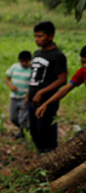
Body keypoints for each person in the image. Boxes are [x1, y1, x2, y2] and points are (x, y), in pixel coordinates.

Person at [26, 21, 68, 154]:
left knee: (45, 128)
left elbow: (62, 80)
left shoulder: (58, 55)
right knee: (34, 130)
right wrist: (29, 94)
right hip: (33, 98)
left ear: (51, 36)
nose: (36, 40)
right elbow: (34, 76)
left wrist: (42, 92)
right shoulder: (37, 53)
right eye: (35, 36)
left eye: (40, 36)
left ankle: (50, 154)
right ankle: (41, 153)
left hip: (48, 100)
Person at [36, 46, 86, 120]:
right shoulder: (82, 72)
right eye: (83, 62)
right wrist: (46, 104)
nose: (85, 65)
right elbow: (64, 90)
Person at [5, 51, 32, 139]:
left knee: (22, 119)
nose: (24, 63)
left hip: (24, 97)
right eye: (22, 61)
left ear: (29, 60)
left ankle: (23, 135)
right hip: (14, 97)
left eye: (26, 61)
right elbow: (7, 78)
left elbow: (32, 85)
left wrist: (28, 97)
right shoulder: (14, 67)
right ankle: (24, 129)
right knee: (13, 118)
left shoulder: (32, 70)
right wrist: (11, 85)